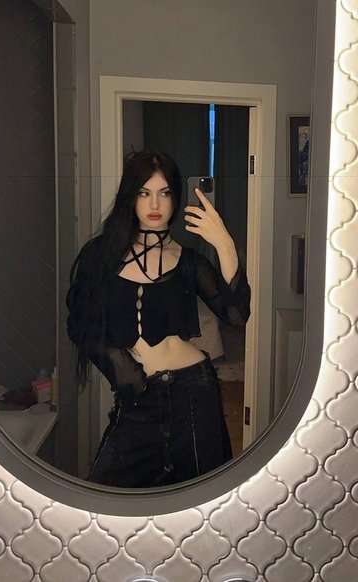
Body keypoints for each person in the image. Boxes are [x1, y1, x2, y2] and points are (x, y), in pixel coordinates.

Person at [66, 150, 250, 488]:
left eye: (164, 193)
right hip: (137, 400)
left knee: (201, 501)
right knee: (109, 496)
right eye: (144, 192)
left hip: (194, 395)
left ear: (175, 198)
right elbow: (79, 322)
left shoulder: (190, 262)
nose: (155, 204)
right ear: (130, 197)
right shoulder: (99, 255)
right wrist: (120, 368)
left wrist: (224, 243)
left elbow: (236, 315)